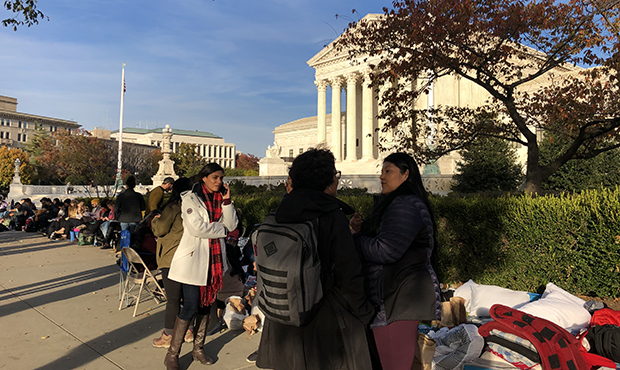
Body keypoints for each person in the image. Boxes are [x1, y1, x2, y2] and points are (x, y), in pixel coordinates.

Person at [256, 148, 375, 370]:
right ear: (327, 181)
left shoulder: (280, 211)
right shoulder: (330, 215)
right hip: (322, 318)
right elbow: (348, 272)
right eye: (335, 175)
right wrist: (365, 312)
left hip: (282, 318)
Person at [349, 152, 441, 370]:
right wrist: (362, 230)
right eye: (382, 171)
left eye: (388, 171)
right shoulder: (399, 203)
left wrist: (355, 238)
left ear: (406, 174)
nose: (381, 176)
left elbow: (386, 250)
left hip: (398, 298)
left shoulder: (405, 205)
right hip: (392, 296)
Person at [164, 163, 238, 370]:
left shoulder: (220, 199)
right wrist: (222, 229)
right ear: (203, 177)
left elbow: (232, 225)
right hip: (193, 260)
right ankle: (173, 353)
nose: (219, 182)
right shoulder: (190, 198)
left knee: (206, 306)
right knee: (190, 305)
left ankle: (198, 348)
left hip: (213, 262)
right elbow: (197, 228)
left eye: (221, 178)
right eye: (215, 177)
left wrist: (227, 201)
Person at [151, 178, 194, 348]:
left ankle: (168, 334)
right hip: (189, 255)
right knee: (188, 297)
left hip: (171, 255)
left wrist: (155, 220)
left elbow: (160, 229)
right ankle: (188, 330)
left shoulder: (173, 207)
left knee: (173, 298)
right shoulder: (194, 208)